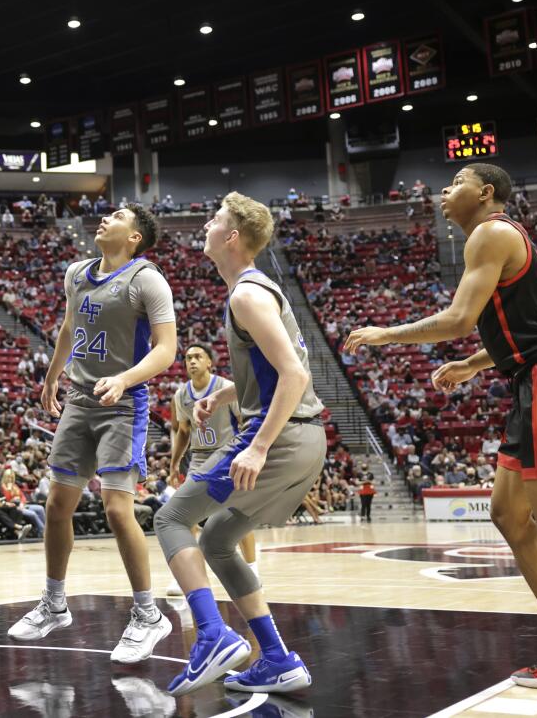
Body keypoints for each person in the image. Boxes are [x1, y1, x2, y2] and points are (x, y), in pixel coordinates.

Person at [344, 163, 537, 689]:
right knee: (510, 516)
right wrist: (473, 365)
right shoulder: (499, 239)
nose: (443, 191)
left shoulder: (491, 231)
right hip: (534, 375)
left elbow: (459, 320)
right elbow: (531, 326)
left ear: (485, 193)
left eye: (455, 183)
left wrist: (384, 333)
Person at [154, 192, 325, 696]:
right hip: (306, 443)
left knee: (170, 518)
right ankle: (275, 657)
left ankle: (212, 635)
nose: (205, 224)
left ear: (231, 237)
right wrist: (227, 391)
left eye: (214, 220)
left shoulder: (247, 295)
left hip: (282, 438)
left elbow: (294, 374)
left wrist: (257, 446)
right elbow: (282, 369)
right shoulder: (259, 291)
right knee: (216, 540)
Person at [9, 204, 177, 664]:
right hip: (79, 401)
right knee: (56, 505)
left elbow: (167, 350)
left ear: (134, 237)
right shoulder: (76, 273)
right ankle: (54, 603)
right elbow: (69, 327)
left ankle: (148, 615)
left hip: (122, 404)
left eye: (118, 215)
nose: (105, 217)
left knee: (117, 507)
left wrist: (126, 378)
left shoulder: (147, 280)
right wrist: (50, 377)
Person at [165, 342, 257, 597]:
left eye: (197, 356)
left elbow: (245, 421)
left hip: (228, 455)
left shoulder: (226, 388)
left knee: (237, 514)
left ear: (209, 362)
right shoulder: (180, 395)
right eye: (187, 358)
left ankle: (252, 569)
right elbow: (183, 431)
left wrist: (251, 452)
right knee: (184, 516)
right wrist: (174, 464)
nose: (192, 361)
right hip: (198, 458)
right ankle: (189, 577)